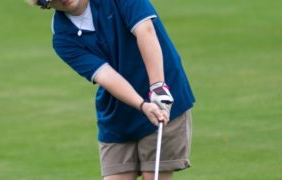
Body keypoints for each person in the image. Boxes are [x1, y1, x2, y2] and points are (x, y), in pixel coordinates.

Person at [29, 0, 195, 179]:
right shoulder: (62, 37)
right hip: (118, 112)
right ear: (44, 4)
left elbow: (145, 31)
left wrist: (158, 87)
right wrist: (142, 105)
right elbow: (106, 76)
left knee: (152, 175)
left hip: (163, 99)